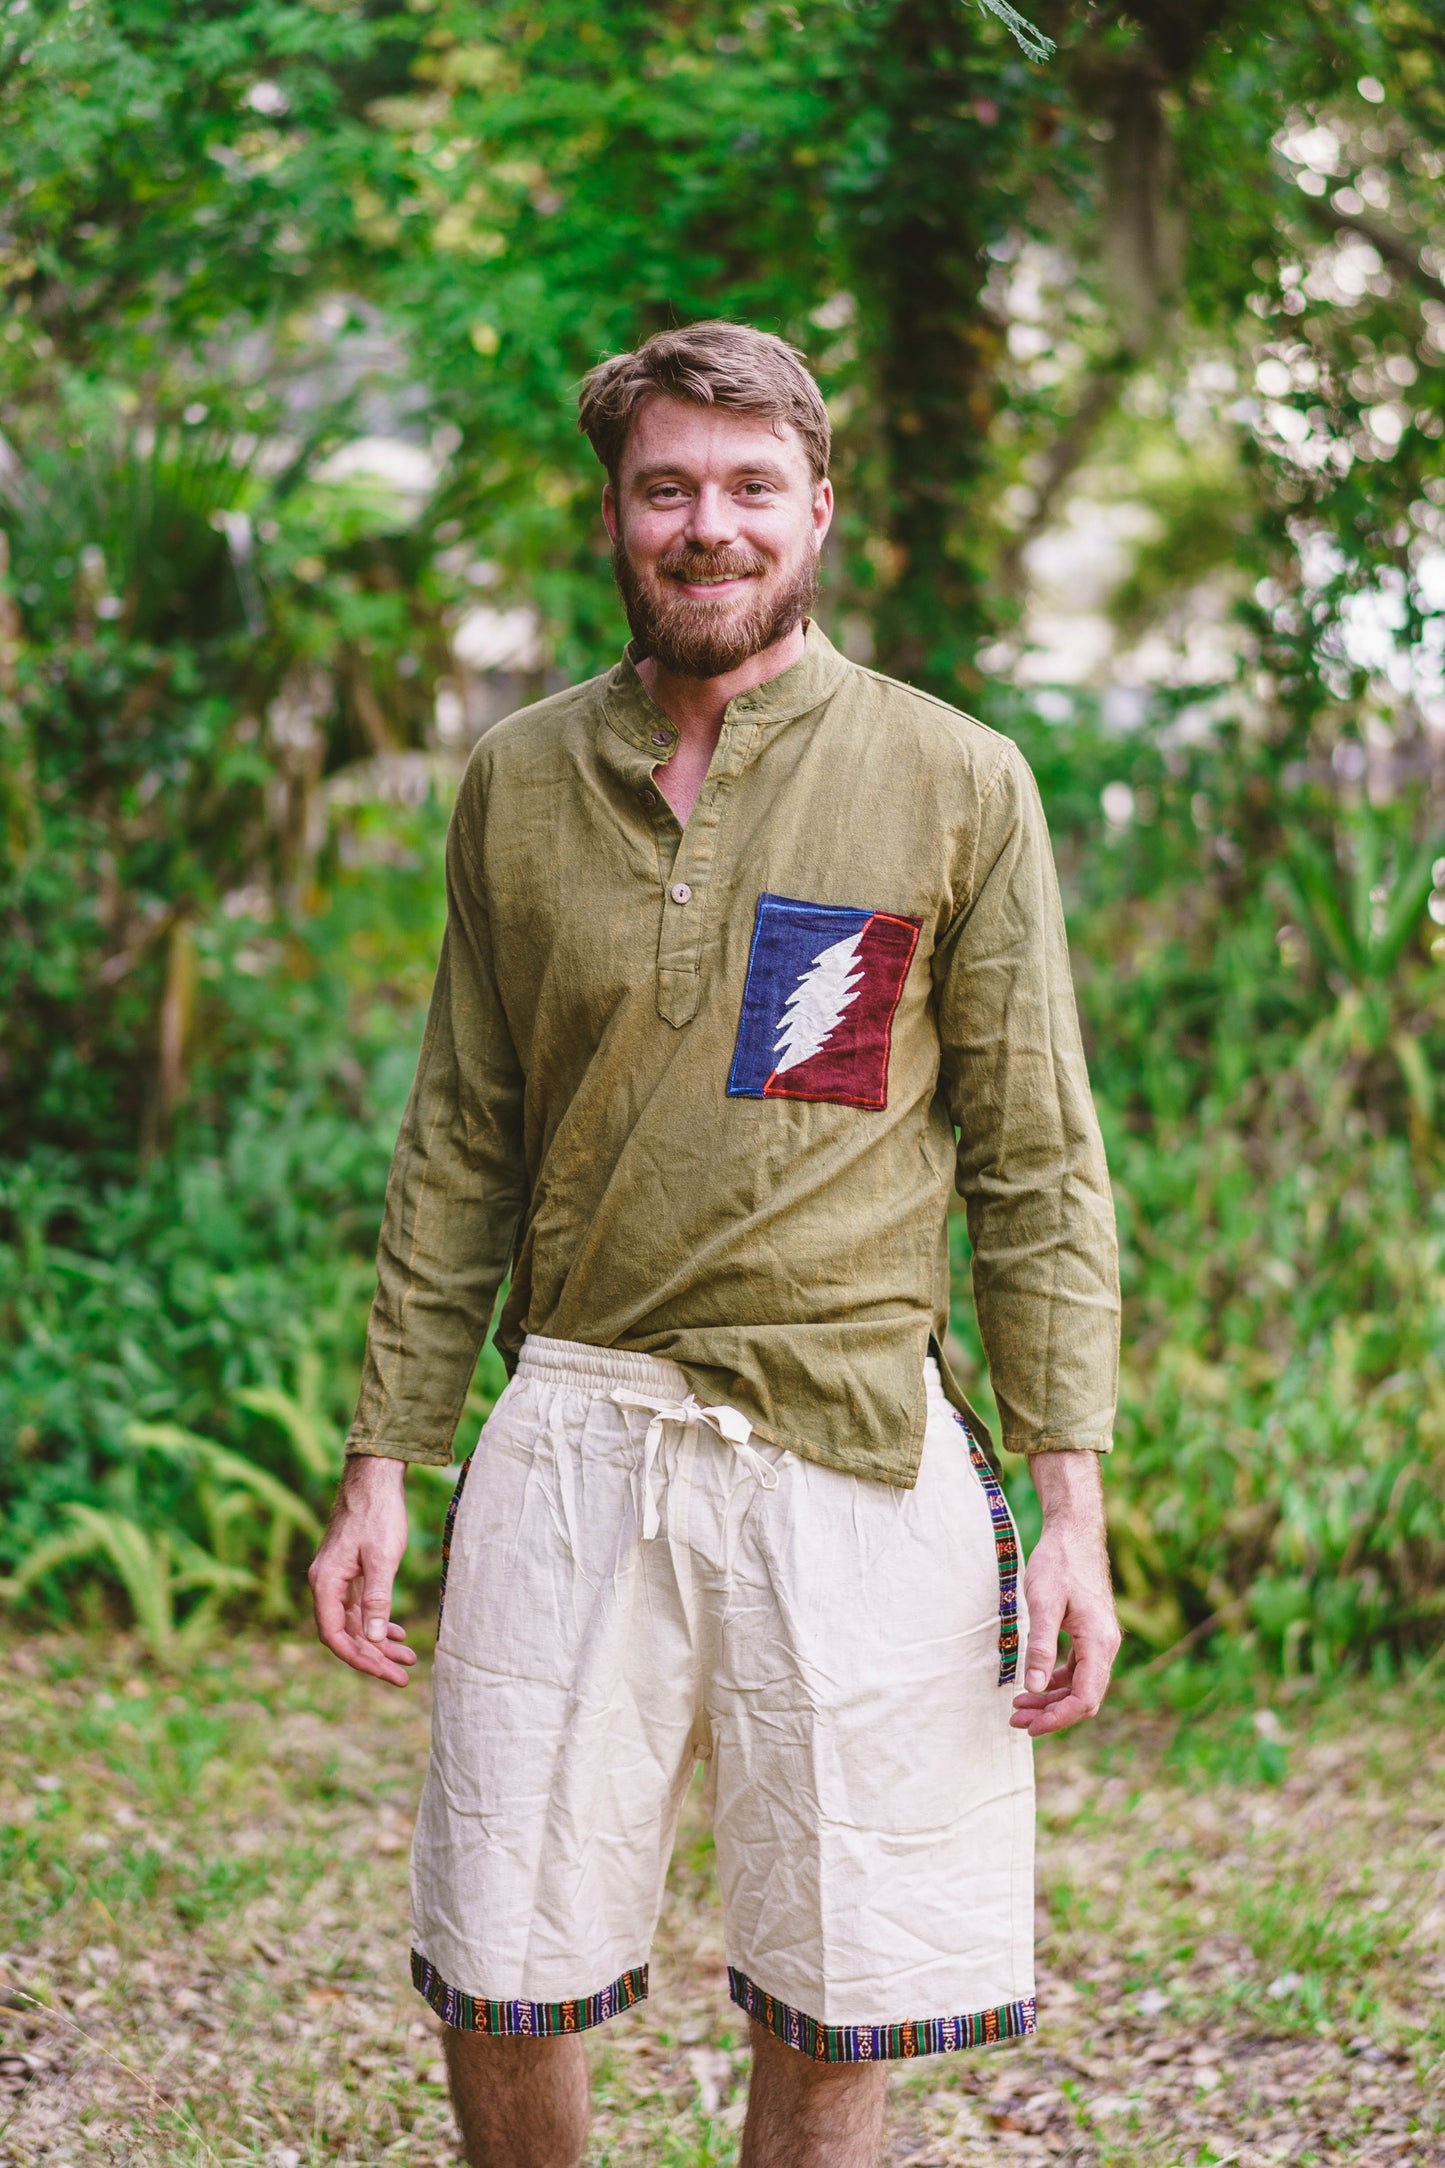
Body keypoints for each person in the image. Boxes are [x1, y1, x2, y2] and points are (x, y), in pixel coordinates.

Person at [308, 319, 1121, 2168]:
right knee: (499, 1949)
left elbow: (1038, 1164)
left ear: (817, 511)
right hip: (576, 1428)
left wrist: (1067, 1506)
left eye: (751, 487)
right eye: (666, 488)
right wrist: (387, 1456)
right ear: (614, 515)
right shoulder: (517, 780)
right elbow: (459, 1142)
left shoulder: (950, 777)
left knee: (843, 1968)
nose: (709, 526)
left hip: (853, 1446)